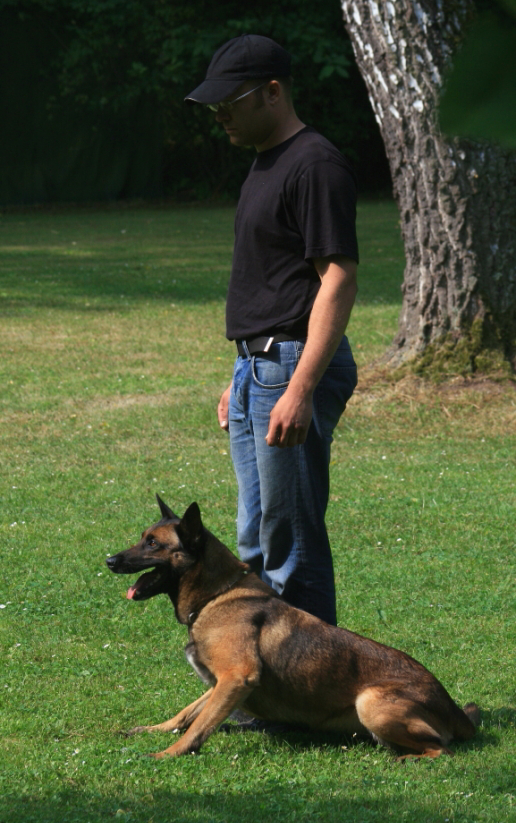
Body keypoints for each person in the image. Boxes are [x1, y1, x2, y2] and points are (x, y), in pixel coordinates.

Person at [185, 34, 358, 626]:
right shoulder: (266, 163)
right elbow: (274, 280)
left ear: (274, 91)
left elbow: (337, 278)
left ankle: (313, 696)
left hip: (291, 363)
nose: (221, 116)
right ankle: (268, 689)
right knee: (255, 537)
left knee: (291, 540)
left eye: (231, 102)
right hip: (260, 366)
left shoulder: (314, 163)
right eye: (214, 107)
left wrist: (299, 387)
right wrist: (243, 372)